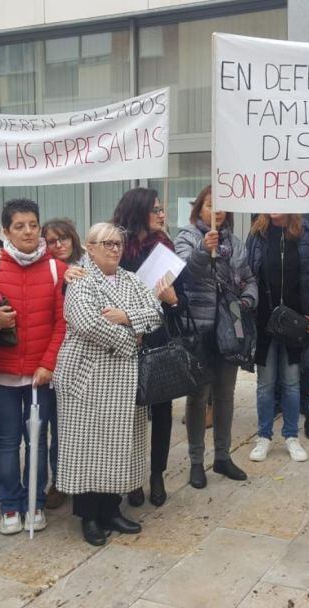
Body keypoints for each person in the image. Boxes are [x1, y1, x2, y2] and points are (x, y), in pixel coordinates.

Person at [54, 222, 162, 546]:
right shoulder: (81, 279)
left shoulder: (131, 279)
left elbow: (156, 312)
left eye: (117, 243)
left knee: (118, 447)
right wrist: (132, 338)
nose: (114, 249)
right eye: (106, 243)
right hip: (87, 376)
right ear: (89, 247)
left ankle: (111, 509)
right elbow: (85, 322)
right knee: (88, 447)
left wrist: (126, 316)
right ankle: (88, 516)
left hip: (123, 380)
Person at [0, 199, 67, 535]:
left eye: (33, 224)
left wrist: (48, 364)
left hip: (40, 376)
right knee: (6, 441)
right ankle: (9, 505)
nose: (28, 231)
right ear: (6, 232)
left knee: (37, 441)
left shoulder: (56, 269)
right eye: (19, 226)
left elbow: (62, 322)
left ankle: (36, 503)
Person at [174, 185, 257, 489]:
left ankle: (222, 456)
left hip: (229, 328)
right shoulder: (186, 236)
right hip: (198, 329)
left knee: (225, 394)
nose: (217, 211)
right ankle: (197, 461)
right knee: (197, 397)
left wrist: (248, 300)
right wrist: (202, 250)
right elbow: (183, 272)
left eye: (222, 206)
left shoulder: (235, 243)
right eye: (211, 205)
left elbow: (248, 277)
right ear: (200, 208)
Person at [112, 188, 182, 507]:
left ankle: (157, 475)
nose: (162, 214)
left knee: (162, 410)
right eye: (155, 209)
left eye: (162, 209)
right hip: (124, 341)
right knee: (129, 414)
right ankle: (132, 475)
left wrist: (173, 300)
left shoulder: (165, 248)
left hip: (157, 340)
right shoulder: (115, 249)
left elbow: (183, 300)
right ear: (138, 211)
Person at [245, 213, 309, 460]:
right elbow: (248, 275)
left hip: (297, 322)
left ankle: (292, 436)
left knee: (292, 382)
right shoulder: (257, 234)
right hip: (264, 321)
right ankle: (263, 436)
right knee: (265, 383)